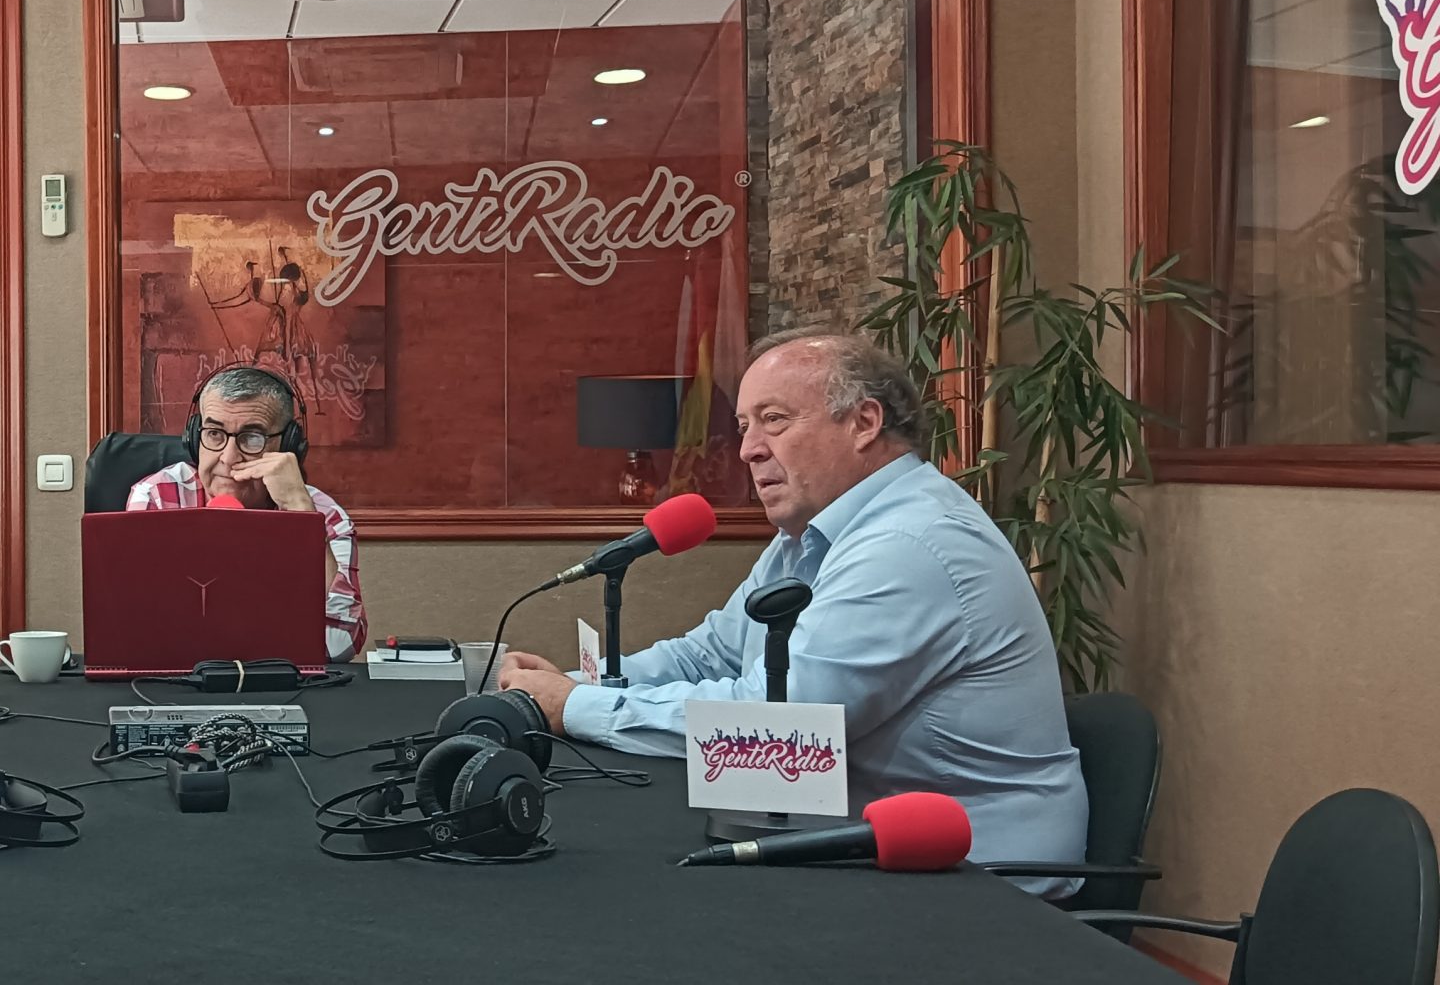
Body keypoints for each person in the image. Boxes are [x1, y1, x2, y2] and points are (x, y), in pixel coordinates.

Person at [494, 329, 1086, 894]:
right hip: (859, 842)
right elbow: (713, 652)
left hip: (978, 877)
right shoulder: (813, 533)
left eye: (774, 420)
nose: (749, 449)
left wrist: (574, 708)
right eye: (744, 426)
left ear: (864, 423)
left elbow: (781, 728)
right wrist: (576, 687)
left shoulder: (911, 544)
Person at [125, 366, 365, 661]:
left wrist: (302, 516)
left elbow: (339, 645)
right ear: (194, 438)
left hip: (278, 681)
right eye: (214, 434)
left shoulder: (325, 515)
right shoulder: (158, 497)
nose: (228, 458)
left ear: (288, 446)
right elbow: (138, 632)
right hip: (176, 680)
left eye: (252, 438)